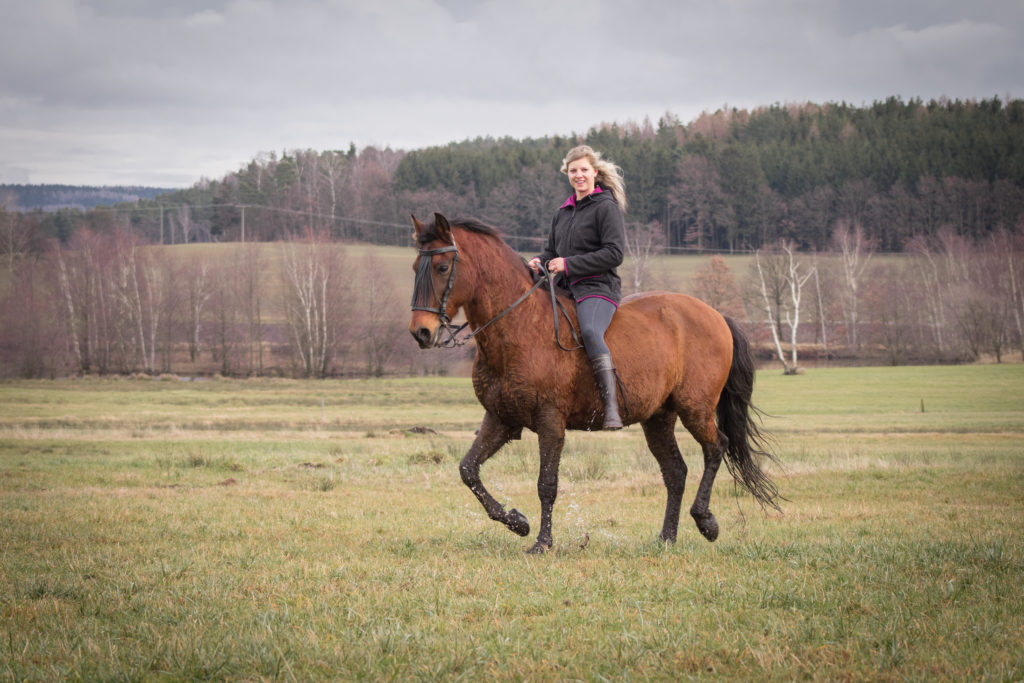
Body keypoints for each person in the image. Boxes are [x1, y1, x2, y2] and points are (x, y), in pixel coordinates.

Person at [528, 144, 627, 430]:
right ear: (567, 175)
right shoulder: (562, 212)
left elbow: (614, 253)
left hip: (599, 288)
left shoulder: (606, 207)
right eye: (573, 171)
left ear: (594, 172)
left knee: (591, 331)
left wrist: (568, 264)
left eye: (584, 170)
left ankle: (611, 408)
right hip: (565, 289)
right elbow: (550, 253)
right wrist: (539, 261)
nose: (579, 175)